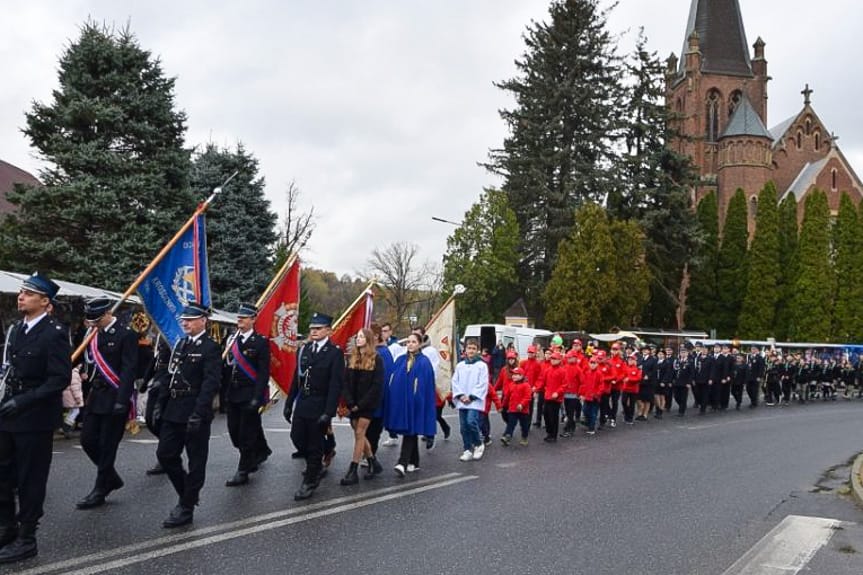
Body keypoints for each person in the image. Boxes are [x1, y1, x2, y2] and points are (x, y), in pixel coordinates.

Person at [0, 272, 71, 563]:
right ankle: (7, 527)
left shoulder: (54, 333)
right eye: (21, 292)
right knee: (3, 474)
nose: (21, 297)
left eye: (28, 294)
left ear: (45, 301)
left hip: (35, 416)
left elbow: (59, 379)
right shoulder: (17, 330)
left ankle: (27, 537)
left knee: (31, 478)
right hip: (8, 412)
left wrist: (24, 400)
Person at [154, 303, 221, 528]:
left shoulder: (210, 348)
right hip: (174, 408)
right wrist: (159, 405)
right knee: (165, 454)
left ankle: (186, 507)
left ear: (203, 320)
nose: (185, 323)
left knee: (196, 462)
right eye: (184, 320)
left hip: (194, 410)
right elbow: (169, 374)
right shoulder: (181, 344)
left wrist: (199, 413)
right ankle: (187, 493)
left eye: (190, 320)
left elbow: (211, 383)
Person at [77, 297, 138, 510]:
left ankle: (100, 488)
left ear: (107, 314)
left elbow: (129, 369)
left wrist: (123, 400)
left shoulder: (126, 334)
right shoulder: (93, 334)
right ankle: (111, 477)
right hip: (96, 396)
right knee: (87, 440)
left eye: (96, 319)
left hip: (115, 396)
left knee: (107, 445)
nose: (93, 323)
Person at [283, 312, 344, 500]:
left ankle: (310, 480)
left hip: (320, 404)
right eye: (312, 329)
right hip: (303, 402)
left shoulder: (334, 353)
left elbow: (336, 385)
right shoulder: (305, 349)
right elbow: (297, 379)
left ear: (328, 330)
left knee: (314, 445)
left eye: (318, 329)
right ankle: (326, 451)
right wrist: (288, 403)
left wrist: (329, 412)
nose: (314, 332)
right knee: (297, 438)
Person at [224, 304, 271, 488]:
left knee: (246, 434)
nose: (240, 321)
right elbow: (227, 368)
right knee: (234, 432)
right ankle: (260, 450)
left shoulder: (260, 342)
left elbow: (263, 373)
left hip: (249, 393)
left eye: (244, 318)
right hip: (233, 393)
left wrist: (257, 398)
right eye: (239, 318)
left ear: (253, 319)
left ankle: (243, 470)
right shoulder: (232, 340)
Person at [383, 333, 436, 476]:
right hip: (403, 401)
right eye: (408, 342)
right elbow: (394, 379)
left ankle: (402, 462)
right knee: (410, 430)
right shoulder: (400, 360)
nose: (410, 344)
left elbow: (426, 384)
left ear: (419, 344)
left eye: (414, 342)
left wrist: (420, 399)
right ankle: (414, 461)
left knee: (411, 430)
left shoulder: (424, 362)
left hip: (417, 402)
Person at [340, 328, 384, 485]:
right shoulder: (352, 357)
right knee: (357, 431)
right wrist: (350, 402)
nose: (358, 339)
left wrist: (361, 404)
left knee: (359, 432)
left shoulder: (376, 359)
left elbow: (376, 386)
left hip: (367, 404)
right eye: (357, 336)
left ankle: (353, 469)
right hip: (353, 403)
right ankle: (373, 461)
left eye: (361, 337)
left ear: (368, 339)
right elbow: (345, 381)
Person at [452, 339, 488, 462]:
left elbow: (483, 383)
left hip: (474, 400)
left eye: (473, 348)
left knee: (471, 422)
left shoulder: (482, 365)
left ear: (477, 350)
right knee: (463, 427)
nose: (471, 351)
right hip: (463, 400)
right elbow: (455, 381)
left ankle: (478, 444)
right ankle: (467, 449)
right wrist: (461, 395)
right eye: (469, 348)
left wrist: (471, 397)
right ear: (465, 350)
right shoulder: (460, 365)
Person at [538, 351, 566, 442]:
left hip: (556, 399)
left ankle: (553, 435)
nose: (553, 361)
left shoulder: (562, 371)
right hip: (547, 396)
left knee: (553, 417)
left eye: (555, 359)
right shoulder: (547, 370)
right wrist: (535, 389)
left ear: (559, 360)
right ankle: (549, 432)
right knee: (546, 415)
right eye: (552, 359)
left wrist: (558, 393)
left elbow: (565, 385)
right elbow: (542, 382)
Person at [500, 367, 532, 446]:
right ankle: (507, 436)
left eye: (516, 374)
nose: (513, 376)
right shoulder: (511, 385)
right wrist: (502, 406)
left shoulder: (526, 385)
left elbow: (527, 397)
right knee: (511, 423)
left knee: (524, 425)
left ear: (521, 376)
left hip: (523, 411)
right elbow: (507, 397)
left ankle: (524, 437)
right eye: (513, 374)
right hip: (512, 409)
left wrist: (522, 404)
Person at [61, 364, 84, 438]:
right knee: (75, 411)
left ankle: (66, 425)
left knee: (71, 411)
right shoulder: (74, 373)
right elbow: (75, 387)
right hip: (72, 396)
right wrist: (78, 398)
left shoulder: (70, 371)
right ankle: (67, 425)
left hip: (68, 395)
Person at [621, 353, 641, 424]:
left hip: (633, 389)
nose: (629, 360)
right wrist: (623, 378)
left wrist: (629, 379)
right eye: (628, 359)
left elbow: (638, 378)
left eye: (631, 359)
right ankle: (627, 414)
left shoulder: (638, 368)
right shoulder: (625, 367)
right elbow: (622, 375)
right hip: (625, 388)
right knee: (623, 402)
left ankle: (630, 418)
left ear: (634, 361)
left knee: (632, 404)